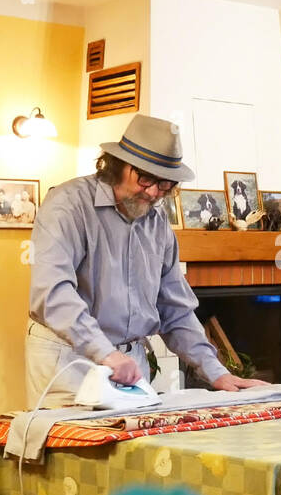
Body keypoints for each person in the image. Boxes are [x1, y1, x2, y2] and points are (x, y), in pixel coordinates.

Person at [27, 114, 268, 406]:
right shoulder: (68, 206)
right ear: (116, 166)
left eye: (165, 185)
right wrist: (105, 353)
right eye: (146, 179)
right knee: (72, 448)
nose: (154, 192)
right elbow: (53, 293)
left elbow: (174, 308)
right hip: (68, 359)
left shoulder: (157, 222)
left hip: (129, 362)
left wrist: (215, 372)